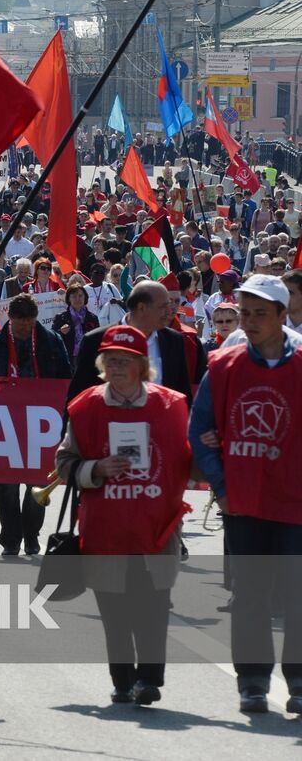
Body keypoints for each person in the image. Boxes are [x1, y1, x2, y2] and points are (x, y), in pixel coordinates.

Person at [56, 325, 194, 706]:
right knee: (114, 611)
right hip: (106, 528)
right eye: (110, 360)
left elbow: (191, 464)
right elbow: (64, 464)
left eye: (125, 361)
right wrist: (96, 469)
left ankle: (149, 679)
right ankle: (121, 680)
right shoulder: (85, 407)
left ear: (142, 365)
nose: (116, 367)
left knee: (152, 606)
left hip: (157, 526)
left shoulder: (172, 405)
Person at [189, 274, 302, 715]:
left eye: (260, 314)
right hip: (245, 501)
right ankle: (252, 681)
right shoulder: (222, 367)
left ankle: (298, 681)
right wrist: (221, 486)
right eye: (245, 313)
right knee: (251, 594)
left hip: (295, 502)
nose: (251, 322)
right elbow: (199, 432)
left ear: (281, 315)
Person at [0, 293, 72, 556]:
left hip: (41, 422)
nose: (25, 328)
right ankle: (10, 539)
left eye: (30, 323)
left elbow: (66, 377)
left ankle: (31, 536)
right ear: (10, 318)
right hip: (5, 421)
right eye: (20, 323)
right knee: (7, 484)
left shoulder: (52, 341)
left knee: (36, 482)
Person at [68, 280, 206, 406]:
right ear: (141, 308)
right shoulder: (95, 341)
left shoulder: (174, 341)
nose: (169, 311)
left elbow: (183, 397)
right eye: (163, 306)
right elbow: (77, 399)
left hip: (160, 430)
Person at [52, 283, 100, 363]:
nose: (77, 299)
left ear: (85, 298)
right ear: (69, 299)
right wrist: (60, 332)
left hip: (88, 359)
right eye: (74, 296)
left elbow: (98, 340)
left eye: (80, 296)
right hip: (67, 359)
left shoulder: (93, 318)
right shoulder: (60, 317)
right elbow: (52, 338)